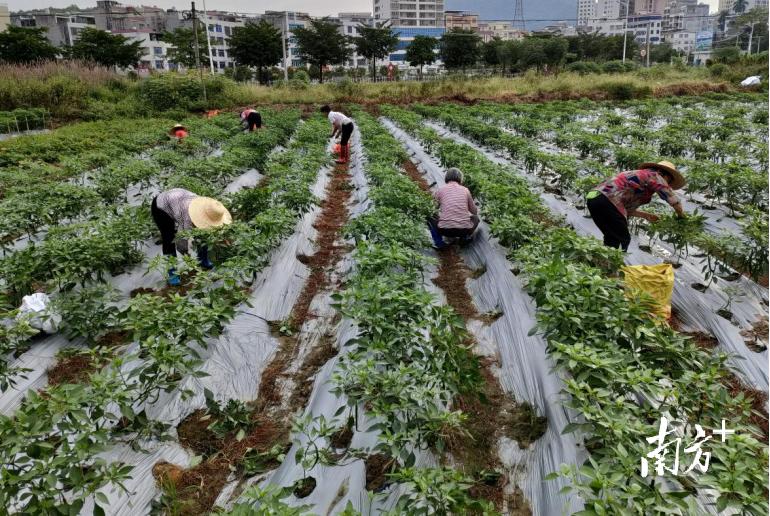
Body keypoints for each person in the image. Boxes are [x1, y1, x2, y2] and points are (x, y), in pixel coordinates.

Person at [587, 161, 686, 251]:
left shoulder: (639, 175)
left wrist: (646, 215)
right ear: (664, 174)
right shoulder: (655, 175)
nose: (667, 183)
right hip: (608, 200)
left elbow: (622, 209)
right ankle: (610, 267)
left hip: (594, 198)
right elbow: (674, 201)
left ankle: (602, 264)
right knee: (622, 240)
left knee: (612, 237)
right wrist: (681, 217)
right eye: (669, 181)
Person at [151, 188, 232, 285]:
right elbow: (181, 241)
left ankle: (203, 260)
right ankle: (172, 273)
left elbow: (210, 231)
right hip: (161, 206)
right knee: (169, 238)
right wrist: (188, 258)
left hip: (179, 198)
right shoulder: (187, 216)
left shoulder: (209, 207)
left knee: (203, 232)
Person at [427, 168, 480, 249]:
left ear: (447, 177)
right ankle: (464, 238)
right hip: (464, 230)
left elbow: (432, 209)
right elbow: (474, 211)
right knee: (475, 218)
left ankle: (439, 243)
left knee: (429, 216)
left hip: (444, 230)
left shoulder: (440, 190)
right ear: (460, 178)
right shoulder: (465, 190)